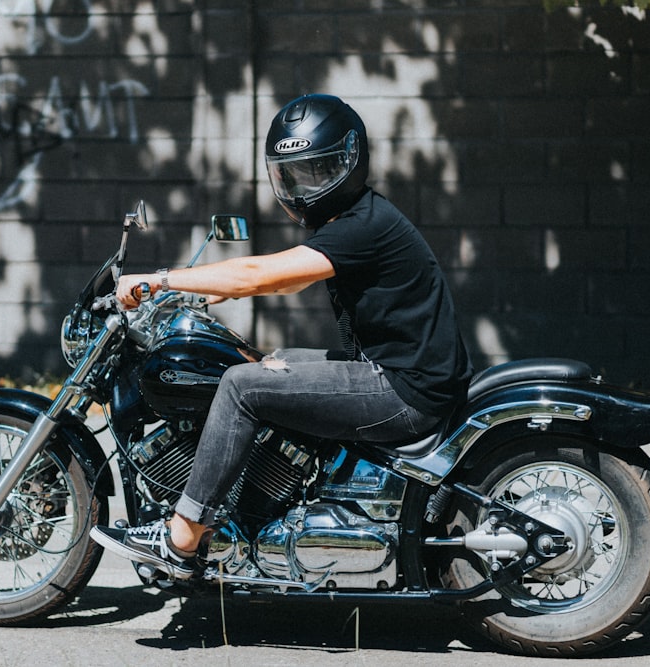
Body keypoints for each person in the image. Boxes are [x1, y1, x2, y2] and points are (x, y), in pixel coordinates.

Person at [91, 94, 473, 579]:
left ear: (349, 161)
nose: (303, 187)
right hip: (406, 374)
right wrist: (210, 295)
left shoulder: (362, 226)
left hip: (404, 389)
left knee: (240, 385)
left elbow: (260, 275)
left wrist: (162, 280)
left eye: (317, 171)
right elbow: (291, 276)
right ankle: (264, 506)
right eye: (292, 174)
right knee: (273, 360)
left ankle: (182, 539)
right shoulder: (362, 217)